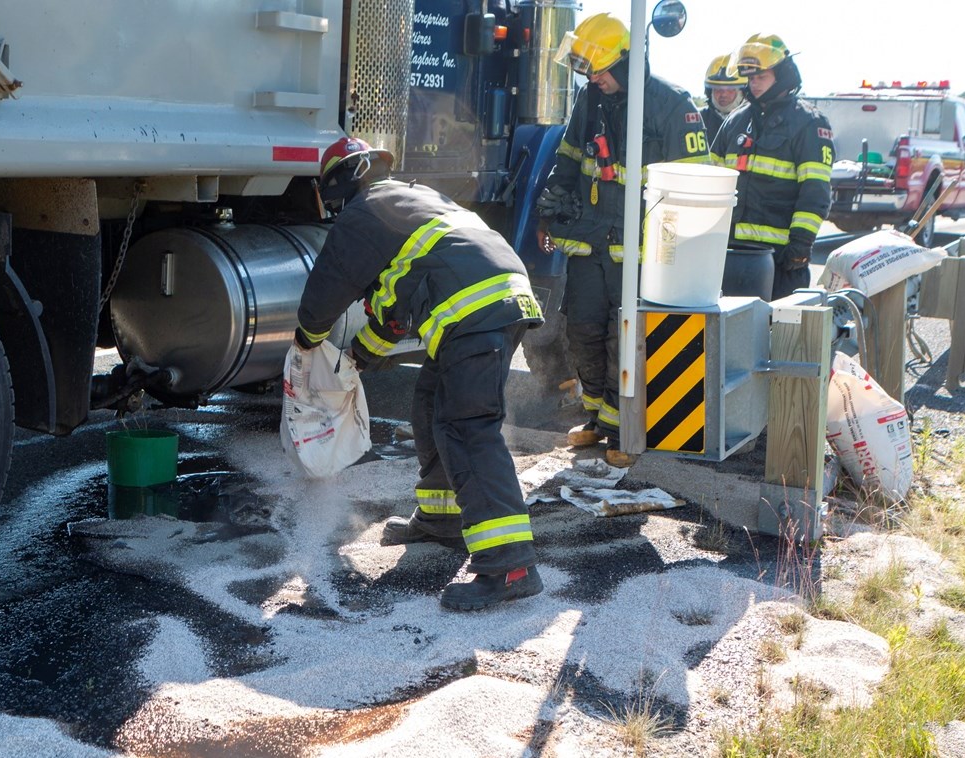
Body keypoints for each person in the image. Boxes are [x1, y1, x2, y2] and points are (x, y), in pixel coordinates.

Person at [294, 136, 546, 611]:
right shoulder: (410, 200)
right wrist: (359, 359)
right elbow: (395, 312)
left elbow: (327, 287)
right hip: (493, 302)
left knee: (468, 429)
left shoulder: (361, 213)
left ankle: (510, 566)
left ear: (334, 189)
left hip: (475, 314)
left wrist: (307, 340)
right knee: (430, 404)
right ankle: (443, 518)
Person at [538, 12, 710, 466]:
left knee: (626, 338)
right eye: (589, 71)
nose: (595, 78)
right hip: (590, 240)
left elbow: (696, 184)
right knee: (583, 330)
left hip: (641, 249)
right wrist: (549, 205)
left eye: (602, 69)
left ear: (629, 62)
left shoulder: (673, 105)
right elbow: (569, 155)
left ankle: (622, 427)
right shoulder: (589, 98)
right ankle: (596, 417)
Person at [710, 34, 833, 300]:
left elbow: (815, 192)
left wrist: (800, 245)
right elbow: (713, 182)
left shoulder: (809, 123)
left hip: (781, 260)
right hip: (732, 255)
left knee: (779, 339)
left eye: (761, 77)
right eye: (751, 78)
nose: (754, 85)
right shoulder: (735, 121)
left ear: (782, 75)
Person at [700, 54, 746, 144]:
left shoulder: (754, 121)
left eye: (730, 89)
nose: (723, 94)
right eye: (718, 89)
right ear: (710, 92)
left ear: (743, 92)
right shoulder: (698, 120)